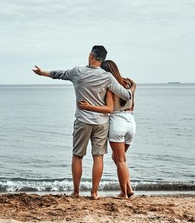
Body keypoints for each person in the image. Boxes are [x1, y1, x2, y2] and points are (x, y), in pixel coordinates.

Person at [33, 45, 135, 199]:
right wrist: (133, 87)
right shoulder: (107, 77)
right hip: (102, 123)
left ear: (91, 56)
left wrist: (42, 73)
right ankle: (94, 193)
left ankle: (76, 192)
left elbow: (58, 74)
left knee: (77, 156)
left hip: (83, 121)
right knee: (98, 157)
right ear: (102, 59)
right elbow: (126, 95)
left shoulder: (77, 72)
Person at [78, 60, 136, 199]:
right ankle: (129, 188)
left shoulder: (110, 86)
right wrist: (134, 87)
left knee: (120, 159)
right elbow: (132, 105)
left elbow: (108, 108)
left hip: (117, 122)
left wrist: (88, 106)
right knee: (119, 158)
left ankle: (124, 194)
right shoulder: (128, 85)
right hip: (131, 121)